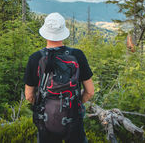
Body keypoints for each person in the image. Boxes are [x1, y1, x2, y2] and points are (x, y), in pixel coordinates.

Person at [24, 12, 94, 143]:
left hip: (45, 120)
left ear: (45, 32)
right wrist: (76, 103)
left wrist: (44, 105)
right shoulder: (77, 55)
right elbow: (90, 91)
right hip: (73, 118)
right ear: (63, 32)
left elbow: (29, 95)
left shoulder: (35, 58)